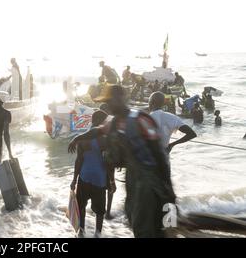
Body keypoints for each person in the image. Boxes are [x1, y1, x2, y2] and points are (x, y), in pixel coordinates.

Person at [68, 85, 176, 238]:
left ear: (121, 99)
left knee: (147, 223)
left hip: (149, 180)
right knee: (133, 217)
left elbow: (159, 154)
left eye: (111, 101)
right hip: (132, 178)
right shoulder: (114, 122)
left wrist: (168, 188)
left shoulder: (140, 119)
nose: (109, 105)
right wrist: (77, 138)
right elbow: (97, 131)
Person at [70, 110, 116, 237]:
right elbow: (109, 163)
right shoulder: (105, 139)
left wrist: (74, 179)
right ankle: (98, 233)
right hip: (99, 179)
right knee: (100, 211)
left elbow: (79, 160)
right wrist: (112, 181)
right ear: (102, 122)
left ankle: (82, 231)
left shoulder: (82, 137)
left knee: (81, 206)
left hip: (84, 177)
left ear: (92, 120)